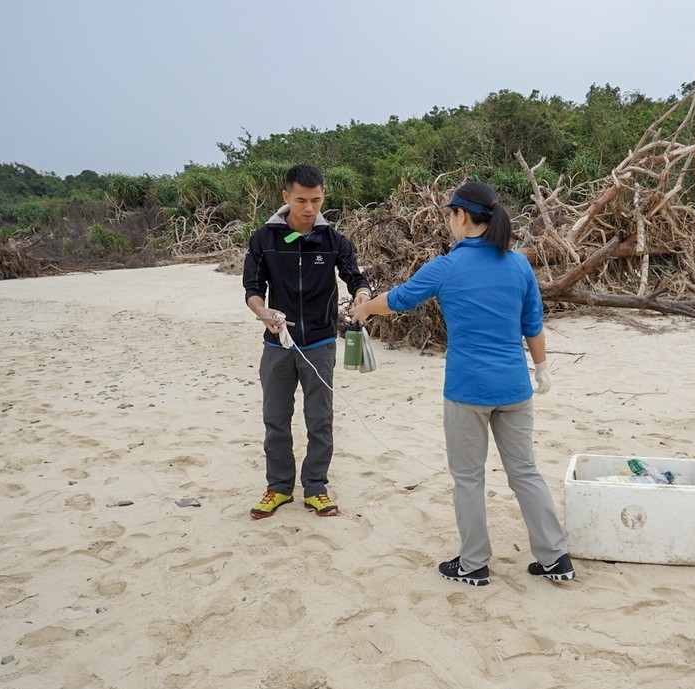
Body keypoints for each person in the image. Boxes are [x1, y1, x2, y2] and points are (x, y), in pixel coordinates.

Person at [353, 181, 574, 586]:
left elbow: (399, 299)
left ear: (463, 217)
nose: (449, 222)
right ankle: (554, 557)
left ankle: (473, 564)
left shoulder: (446, 266)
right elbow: (533, 326)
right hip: (514, 388)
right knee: (525, 472)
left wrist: (364, 308)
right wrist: (542, 370)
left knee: (469, 478)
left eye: (450, 215)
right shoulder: (519, 264)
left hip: (467, 390)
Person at [243, 163, 372, 520]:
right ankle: (280, 487)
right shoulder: (263, 239)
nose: (309, 208)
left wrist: (362, 295)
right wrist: (263, 312)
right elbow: (252, 290)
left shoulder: (334, 240)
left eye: (316, 200)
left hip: (319, 343)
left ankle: (316, 487)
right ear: (286, 197)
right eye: (301, 200)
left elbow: (355, 277)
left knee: (320, 420)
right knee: (275, 419)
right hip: (278, 344)